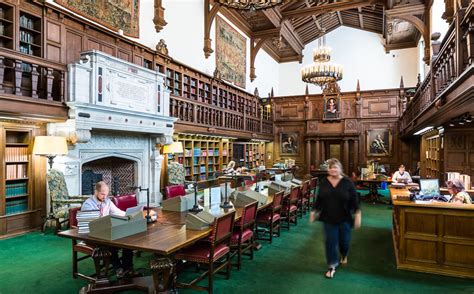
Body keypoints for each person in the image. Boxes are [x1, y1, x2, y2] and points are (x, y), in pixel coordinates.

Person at [310, 158, 361, 279]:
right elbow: (319, 198)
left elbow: (355, 200)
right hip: (328, 217)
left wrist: (358, 214)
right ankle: (332, 266)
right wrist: (314, 210)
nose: (333, 170)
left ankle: (344, 254)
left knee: (344, 241)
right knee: (330, 242)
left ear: (340, 169)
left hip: (344, 218)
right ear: (328, 169)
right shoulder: (324, 182)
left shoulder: (347, 182)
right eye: (331, 168)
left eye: (335, 168)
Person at [81, 181, 134, 278]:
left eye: (106, 194)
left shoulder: (107, 201)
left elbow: (118, 212)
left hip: (106, 231)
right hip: (92, 234)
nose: (105, 197)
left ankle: (128, 267)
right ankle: (118, 268)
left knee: (128, 238)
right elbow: (91, 224)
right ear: (96, 191)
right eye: (102, 194)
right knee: (111, 243)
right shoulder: (88, 205)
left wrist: (130, 215)